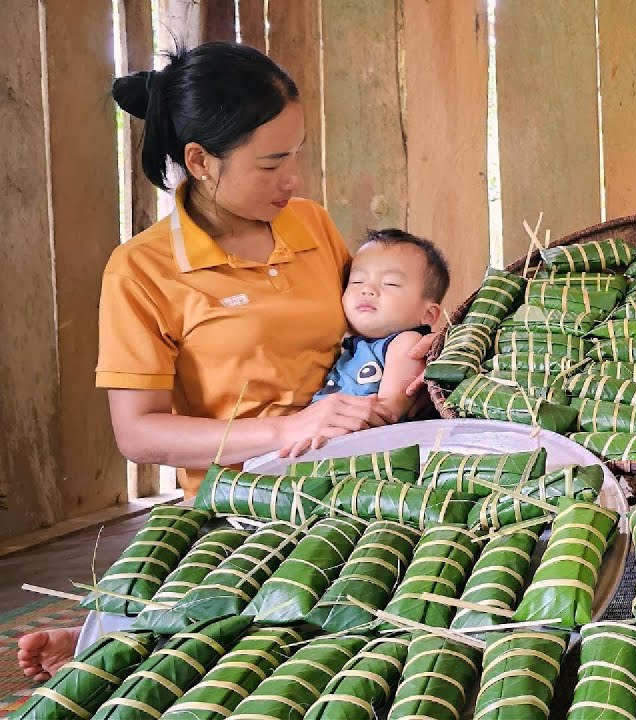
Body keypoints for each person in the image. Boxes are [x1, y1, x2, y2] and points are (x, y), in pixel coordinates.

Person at [18, 42, 396, 683]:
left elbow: (367, 326)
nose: (293, 179)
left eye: (297, 153)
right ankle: (116, 633)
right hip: (243, 500)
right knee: (270, 653)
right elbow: (138, 433)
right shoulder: (143, 270)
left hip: (359, 472)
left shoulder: (311, 225)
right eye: (272, 162)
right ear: (200, 160)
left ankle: (121, 629)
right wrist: (288, 429)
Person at [281, 228, 450, 457]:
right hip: (324, 439)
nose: (367, 290)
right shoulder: (351, 346)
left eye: (390, 283)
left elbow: (386, 413)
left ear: (428, 314)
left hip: (366, 451)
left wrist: (328, 437)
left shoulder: (406, 343)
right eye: (357, 281)